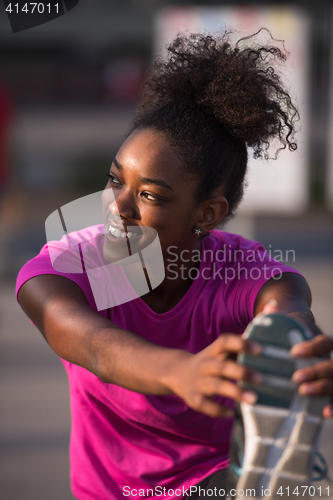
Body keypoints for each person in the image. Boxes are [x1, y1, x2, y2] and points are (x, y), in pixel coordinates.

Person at [16, 30, 333, 500]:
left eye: (149, 195)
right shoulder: (65, 267)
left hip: (217, 479)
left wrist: (295, 349)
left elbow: (284, 298)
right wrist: (178, 372)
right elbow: (95, 348)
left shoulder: (237, 268)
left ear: (206, 214)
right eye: (114, 180)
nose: (117, 206)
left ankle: (263, 470)